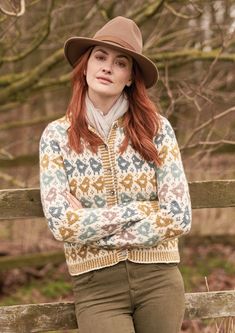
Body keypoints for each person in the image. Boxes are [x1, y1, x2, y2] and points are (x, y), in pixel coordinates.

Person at [39, 16, 192, 333]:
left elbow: (179, 216)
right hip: (97, 288)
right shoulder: (56, 136)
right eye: (100, 57)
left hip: (158, 278)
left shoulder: (157, 129)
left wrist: (92, 225)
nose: (107, 67)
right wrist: (146, 209)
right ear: (85, 65)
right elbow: (62, 223)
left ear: (130, 78)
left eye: (120, 63)